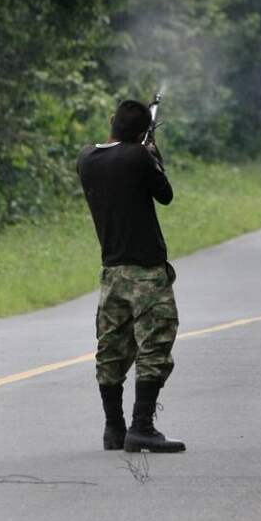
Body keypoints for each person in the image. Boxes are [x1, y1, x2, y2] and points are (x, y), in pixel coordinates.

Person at [77, 99, 185, 454]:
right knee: (154, 347)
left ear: (112, 123)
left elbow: (119, 162)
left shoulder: (87, 159)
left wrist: (141, 146)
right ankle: (141, 427)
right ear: (141, 134)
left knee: (110, 351)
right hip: (147, 272)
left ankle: (114, 427)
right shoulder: (139, 158)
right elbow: (165, 194)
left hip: (111, 272)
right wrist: (153, 154)